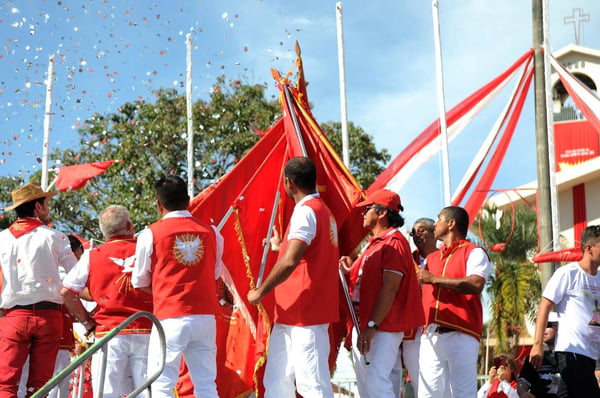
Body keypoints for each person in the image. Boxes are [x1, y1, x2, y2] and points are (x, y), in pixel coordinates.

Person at [247, 156, 339, 398]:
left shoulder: (307, 211)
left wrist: (260, 291)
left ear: (289, 182)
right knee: (277, 381)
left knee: (313, 384)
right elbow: (307, 253)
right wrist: (281, 246)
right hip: (292, 312)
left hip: (306, 313)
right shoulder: (322, 211)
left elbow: (291, 261)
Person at [131, 176, 223, 398]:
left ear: (158, 204)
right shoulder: (212, 231)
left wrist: (167, 289)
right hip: (204, 316)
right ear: (189, 200)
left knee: (162, 383)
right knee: (207, 383)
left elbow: (138, 281)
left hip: (169, 317)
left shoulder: (150, 234)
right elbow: (215, 274)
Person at [339, 189, 424, 398]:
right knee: (369, 386)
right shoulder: (374, 245)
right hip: (368, 325)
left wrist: (371, 326)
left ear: (381, 213)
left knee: (377, 383)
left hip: (381, 326)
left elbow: (390, 288)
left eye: (367, 209)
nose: (363, 213)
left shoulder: (394, 243)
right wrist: (352, 269)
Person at [62, 205, 153, 398]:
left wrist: (87, 321)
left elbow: (67, 292)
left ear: (103, 231)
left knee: (106, 393)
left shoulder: (92, 256)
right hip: (148, 331)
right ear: (130, 226)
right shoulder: (148, 251)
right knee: (147, 392)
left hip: (108, 334)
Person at [0, 183, 78, 397]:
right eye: (46, 203)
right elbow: (76, 275)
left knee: (6, 383)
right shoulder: (55, 237)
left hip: (13, 316)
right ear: (38, 207)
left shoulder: (1, 239)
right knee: (39, 384)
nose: (48, 208)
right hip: (49, 316)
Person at [416, 206, 492, 398]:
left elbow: (475, 283)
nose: (435, 224)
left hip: (462, 333)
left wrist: (433, 279)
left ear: (451, 223)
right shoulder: (431, 258)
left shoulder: (474, 252)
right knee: (427, 395)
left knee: (462, 394)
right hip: (430, 335)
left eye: (438, 218)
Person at [529, 225, 600, 398]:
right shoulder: (568, 273)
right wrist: (537, 345)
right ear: (589, 248)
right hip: (572, 351)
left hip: (592, 354)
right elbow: (544, 306)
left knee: (566, 394)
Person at [518, 312, 560, 398]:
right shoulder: (534, 356)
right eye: (540, 326)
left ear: (560, 326)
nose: (542, 329)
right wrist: (523, 393)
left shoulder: (572, 355)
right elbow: (523, 381)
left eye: (547, 325)